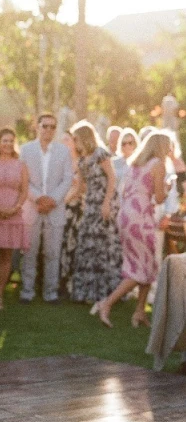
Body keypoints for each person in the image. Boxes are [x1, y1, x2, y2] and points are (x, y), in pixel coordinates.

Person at [93, 131, 171, 328]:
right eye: (168, 146)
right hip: (141, 218)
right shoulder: (158, 165)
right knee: (140, 269)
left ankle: (139, 313)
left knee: (147, 265)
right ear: (161, 147)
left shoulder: (136, 164)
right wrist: (168, 188)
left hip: (127, 215)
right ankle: (107, 303)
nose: (170, 150)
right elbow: (160, 198)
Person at [19, 113, 74, 303]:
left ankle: (50, 292)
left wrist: (53, 199)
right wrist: (38, 198)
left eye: (52, 127)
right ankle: (27, 291)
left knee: (52, 252)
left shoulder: (63, 151)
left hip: (55, 208)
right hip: (32, 207)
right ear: (38, 126)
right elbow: (22, 178)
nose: (48, 130)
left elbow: (68, 178)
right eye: (45, 126)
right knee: (29, 251)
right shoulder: (26, 150)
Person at [70, 122, 122, 304]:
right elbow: (82, 187)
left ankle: (107, 291)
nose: (74, 142)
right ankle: (88, 291)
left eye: (76, 138)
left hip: (104, 202)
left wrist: (107, 203)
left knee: (104, 246)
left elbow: (112, 178)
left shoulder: (100, 154)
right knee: (88, 244)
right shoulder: (82, 159)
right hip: (90, 205)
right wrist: (66, 200)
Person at [0, 127, 29, 310]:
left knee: (6, 256)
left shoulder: (20, 164)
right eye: (5, 140)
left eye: (11, 141)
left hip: (13, 214)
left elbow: (24, 191)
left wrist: (15, 208)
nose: (8, 144)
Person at [59, 130, 84, 299]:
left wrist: (63, 201)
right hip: (60, 207)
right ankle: (58, 280)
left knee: (73, 243)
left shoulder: (82, 162)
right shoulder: (61, 162)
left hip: (75, 208)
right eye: (62, 141)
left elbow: (81, 187)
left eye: (67, 140)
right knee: (60, 244)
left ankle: (71, 283)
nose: (64, 143)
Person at [112, 128, 138, 195]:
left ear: (135, 144)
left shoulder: (139, 163)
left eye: (130, 143)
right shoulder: (113, 162)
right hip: (116, 199)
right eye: (124, 143)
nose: (127, 146)